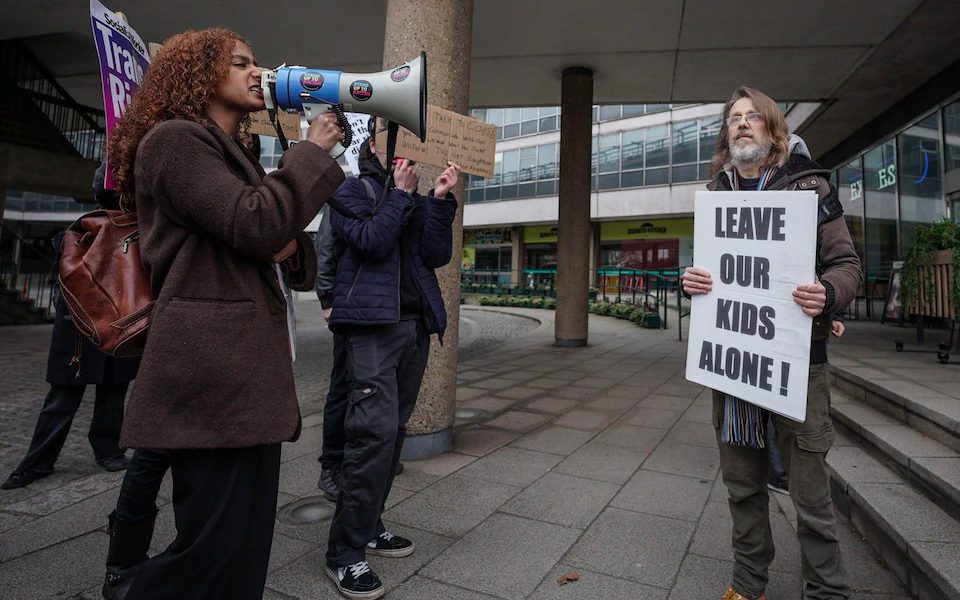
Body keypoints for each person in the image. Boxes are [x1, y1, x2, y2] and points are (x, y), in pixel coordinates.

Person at [105, 28, 345, 599]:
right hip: (212, 376)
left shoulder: (236, 155)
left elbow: (283, 246)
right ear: (198, 76)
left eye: (258, 63)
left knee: (243, 549)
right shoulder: (173, 142)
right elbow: (258, 225)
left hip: (244, 379)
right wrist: (309, 153)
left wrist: (276, 228)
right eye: (241, 63)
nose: (258, 73)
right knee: (212, 550)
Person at [681, 86, 862, 600]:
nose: (742, 124)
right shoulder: (715, 196)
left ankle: (827, 592)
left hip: (797, 366)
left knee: (811, 497)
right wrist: (688, 279)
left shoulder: (809, 188)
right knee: (741, 487)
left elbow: (847, 266)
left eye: (752, 117)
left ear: (773, 129)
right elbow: (707, 272)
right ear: (727, 134)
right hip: (733, 368)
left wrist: (826, 294)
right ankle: (748, 584)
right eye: (734, 118)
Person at [323, 125, 460, 599]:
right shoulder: (348, 188)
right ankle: (344, 554)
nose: (408, 149)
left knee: (392, 433)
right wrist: (403, 196)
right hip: (371, 330)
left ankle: (370, 525)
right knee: (371, 435)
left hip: (412, 326)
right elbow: (370, 242)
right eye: (395, 138)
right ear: (375, 147)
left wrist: (439, 201)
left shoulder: (413, 193)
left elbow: (435, 254)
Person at [2, 165, 137, 491]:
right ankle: (40, 460)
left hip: (117, 324)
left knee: (110, 394)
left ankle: (107, 451)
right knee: (65, 398)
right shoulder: (80, 231)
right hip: (82, 327)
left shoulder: (135, 230)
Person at [314, 117, 402, 503]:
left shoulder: (398, 187)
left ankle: (363, 457)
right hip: (352, 308)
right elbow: (327, 246)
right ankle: (331, 464)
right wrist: (328, 299)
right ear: (373, 145)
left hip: (386, 311)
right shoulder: (355, 186)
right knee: (343, 389)